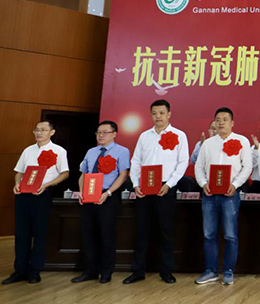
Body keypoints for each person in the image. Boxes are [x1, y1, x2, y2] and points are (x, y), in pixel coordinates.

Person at [124, 99, 189, 285]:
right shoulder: (145, 136)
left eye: (161, 113)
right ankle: (138, 271)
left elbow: (183, 162)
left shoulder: (179, 135)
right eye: (154, 113)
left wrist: (170, 184)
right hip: (144, 188)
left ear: (169, 114)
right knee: (141, 231)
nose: (158, 116)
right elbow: (136, 161)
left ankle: (166, 271)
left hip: (165, 187)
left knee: (166, 231)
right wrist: (136, 184)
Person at [3, 121, 69, 285]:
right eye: (37, 130)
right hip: (23, 195)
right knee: (21, 233)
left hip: (42, 194)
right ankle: (20, 270)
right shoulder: (28, 150)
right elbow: (19, 172)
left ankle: (34, 271)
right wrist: (17, 183)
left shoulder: (59, 151)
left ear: (52, 132)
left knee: (39, 234)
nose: (39, 133)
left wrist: (47, 184)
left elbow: (65, 173)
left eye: (43, 130)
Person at [194, 107, 253, 286]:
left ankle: (228, 271)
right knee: (208, 234)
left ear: (232, 123)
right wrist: (203, 183)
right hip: (209, 195)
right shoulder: (208, 144)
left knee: (230, 235)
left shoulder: (241, 141)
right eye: (218, 119)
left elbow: (247, 167)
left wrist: (235, 184)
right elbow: (199, 166)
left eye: (225, 119)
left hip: (230, 195)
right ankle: (211, 271)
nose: (221, 123)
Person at [71, 121, 130, 284]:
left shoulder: (122, 151)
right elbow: (83, 174)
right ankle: (89, 270)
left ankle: (106, 271)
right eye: (98, 132)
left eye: (105, 132)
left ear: (114, 134)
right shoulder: (91, 152)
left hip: (108, 196)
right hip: (89, 196)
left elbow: (123, 175)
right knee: (88, 234)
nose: (101, 135)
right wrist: (82, 192)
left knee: (106, 235)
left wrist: (108, 193)